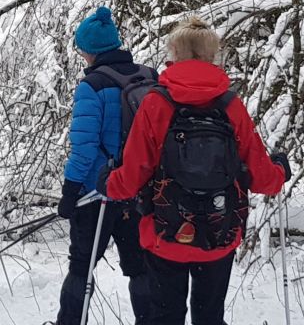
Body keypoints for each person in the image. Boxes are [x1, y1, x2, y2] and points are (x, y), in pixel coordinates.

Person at [105, 16, 289, 325]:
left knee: (164, 317)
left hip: (166, 232)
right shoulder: (231, 105)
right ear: (211, 55)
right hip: (219, 232)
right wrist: (280, 170)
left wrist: (108, 183)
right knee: (210, 319)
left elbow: (134, 172)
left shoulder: (155, 103)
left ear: (175, 54)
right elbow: (262, 177)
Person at [56, 6, 155, 325]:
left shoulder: (92, 86)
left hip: (96, 194)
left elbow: (84, 148)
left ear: (90, 50)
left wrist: (70, 191)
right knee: (141, 267)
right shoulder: (149, 77)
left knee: (81, 268)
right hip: (140, 191)